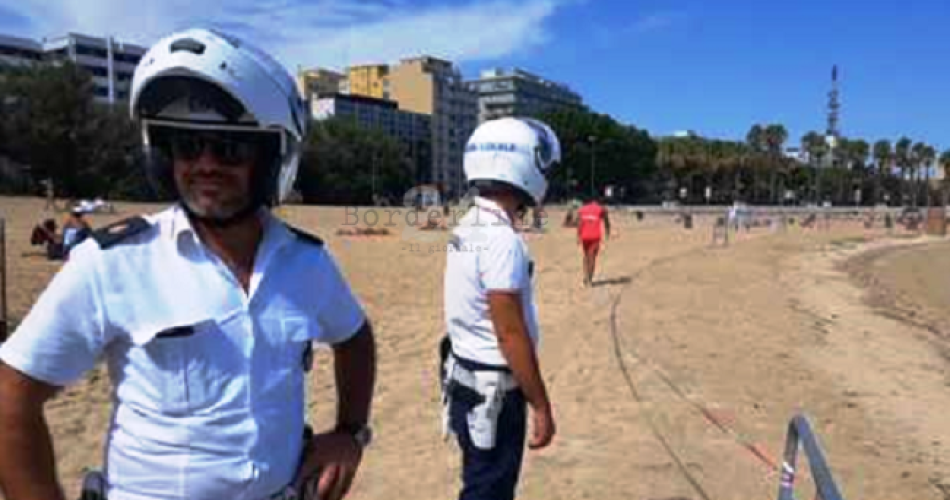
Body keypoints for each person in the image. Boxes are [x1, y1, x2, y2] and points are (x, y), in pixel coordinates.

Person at [0, 28, 376, 500]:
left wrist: (349, 433)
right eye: (186, 145)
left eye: (230, 148)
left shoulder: (306, 261)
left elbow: (355, 338)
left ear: (271, 157)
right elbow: (12, 393)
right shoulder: (113, 262)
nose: (205, 164)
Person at [441, 117, 559, 500]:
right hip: (494, 391)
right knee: (490, 491)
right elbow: (509, 331)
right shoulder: (502, 240)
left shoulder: (469, 224)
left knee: (477, 481)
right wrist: (540, 404)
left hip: (463, 380)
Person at [576, 195, 611, 287]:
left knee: (586, 256)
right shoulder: (602, 209)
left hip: (584, 236)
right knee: (592, 258)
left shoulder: (582, 209)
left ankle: (585, 277)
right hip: (595, 236)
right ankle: (589, 281)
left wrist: (578, 236)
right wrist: (608, 232)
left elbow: (579, 224)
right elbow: (607, 222)